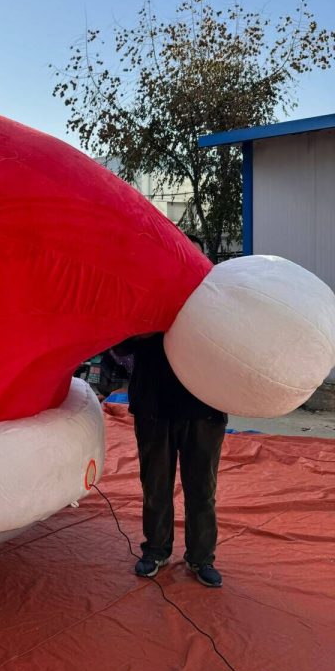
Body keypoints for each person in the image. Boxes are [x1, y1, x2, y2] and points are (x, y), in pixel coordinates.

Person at [113, 234, 227, 588]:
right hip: (154, 405)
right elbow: (118, 338)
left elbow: (236, 347)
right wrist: (143, 329)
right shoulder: (144, 294)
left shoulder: (217, 301)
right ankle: (156, 550)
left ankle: (200, 557)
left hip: (204, 408)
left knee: (201, 489)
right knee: (156, 486)